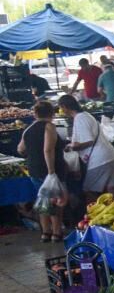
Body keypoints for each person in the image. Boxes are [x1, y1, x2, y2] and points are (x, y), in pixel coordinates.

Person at [18, 100, 68, 242]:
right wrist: (51, 172)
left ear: (35, 114)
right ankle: (56, 233)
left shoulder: (28, 129)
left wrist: (33, 154)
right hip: (51, 170)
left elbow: (20, 149)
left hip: (34, 170)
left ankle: (45, 233)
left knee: (43, 201)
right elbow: (48, 149)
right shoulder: (49, 127)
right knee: (56, 201)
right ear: (52, 113)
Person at [57, 95, 114, 200]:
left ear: (65, 107)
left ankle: (94, 214)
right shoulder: (85, 115)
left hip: (99, 159)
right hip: (108, 155)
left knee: (88, 190)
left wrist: (71, 146)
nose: (61, 110)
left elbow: (88, 141)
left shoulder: (80, 118)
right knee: (111, 188)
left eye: (61, 108)